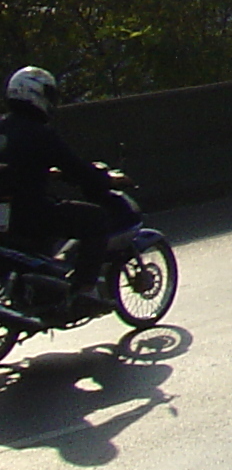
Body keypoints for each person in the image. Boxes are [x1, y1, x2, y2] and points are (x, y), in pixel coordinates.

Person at [0, 67, 134, 303]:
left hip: (9, 218)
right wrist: (107, 179)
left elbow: (16, 167)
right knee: (95, 219)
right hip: (30, 212)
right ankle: (84, 288)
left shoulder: (4, 127)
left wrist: (45, 173)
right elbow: (77, 169)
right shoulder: (40, 134)